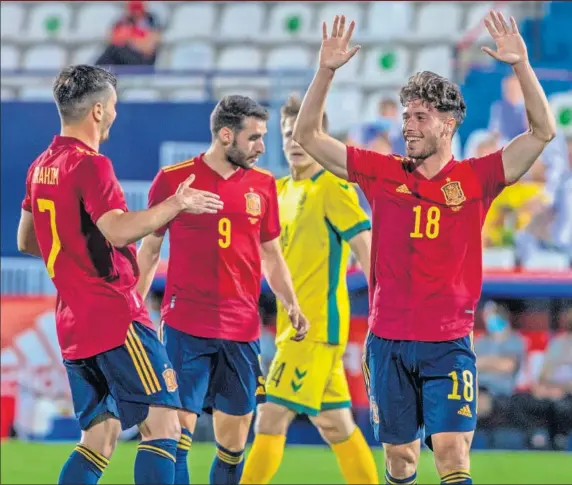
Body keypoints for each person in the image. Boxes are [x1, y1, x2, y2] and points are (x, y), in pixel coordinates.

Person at [292, 12, 556, 485]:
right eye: (407, 116)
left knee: (453, 453)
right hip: (388, 341)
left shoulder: (477, 177)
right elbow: (307, 137)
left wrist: (521, 65)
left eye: (421, 117)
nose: (409, 126)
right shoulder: (381, 171)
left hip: (450, 343)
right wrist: (326, 71)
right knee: (401, 461)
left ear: (449, 123)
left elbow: (542, 132)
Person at [16, 65, 223, 485]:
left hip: (72, 319)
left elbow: (27, 240)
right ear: (96, 110)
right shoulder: (92, 165)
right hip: (114, 316)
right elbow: (117, 228)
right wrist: (175, 205)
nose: (114, 113)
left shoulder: (40, 166)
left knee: (100, 435)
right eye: (112, 105)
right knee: (163, 425)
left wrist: (73, 259)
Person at [136, 95, 309, 485]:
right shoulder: (173, 179)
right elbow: (149, 248)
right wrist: (133, 306)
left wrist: (291, 303)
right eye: (254, 138)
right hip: (186, 324)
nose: (263, 147)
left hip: (241, 330)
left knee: (233, 443)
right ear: (226, 135)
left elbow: (271, 254)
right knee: (176, 432)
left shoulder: (263, 185)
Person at [241, 95, 377, 484]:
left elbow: (365, 247)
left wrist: (384, 306)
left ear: (319, 136)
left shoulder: (333, 186)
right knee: (335, 424)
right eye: (288, 134)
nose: (295, 141)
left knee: (269, 416)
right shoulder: (278, 190)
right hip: (292, 328)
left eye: (304, 133)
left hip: (315, 330)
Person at [96, 1, 161, 67]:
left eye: (138, 9)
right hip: (125, 56)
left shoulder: (151, 20)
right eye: (133, 9)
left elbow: (148, 48)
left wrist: (129, 38)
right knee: (112, 51)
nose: (136, 13)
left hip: (143, 60)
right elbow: (111, 38)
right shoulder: (124, 20)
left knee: (115, 50)